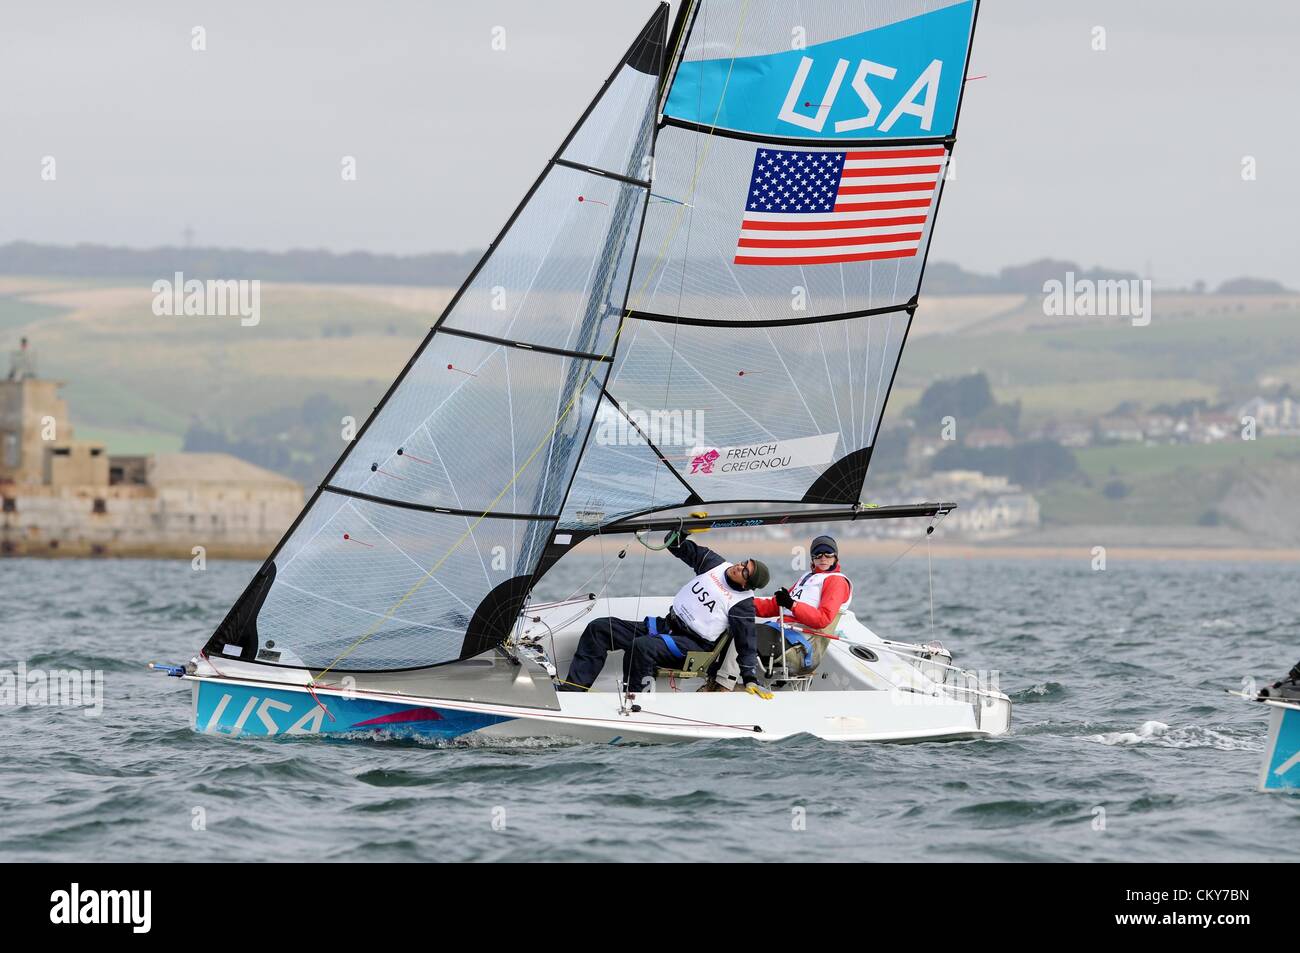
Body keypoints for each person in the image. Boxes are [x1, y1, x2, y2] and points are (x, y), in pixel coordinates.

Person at [560, 533, 773, 698]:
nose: (740, 566)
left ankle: (638, 702)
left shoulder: (742, 604)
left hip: (691, 647)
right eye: (745, 562)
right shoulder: (715, 563)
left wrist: (750, 678)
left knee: (642, 647)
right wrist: (683, 531)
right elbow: (675, 545)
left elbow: (747, 642)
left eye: (746, 571)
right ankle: (573, 692)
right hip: (666, 627)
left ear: (746, 584)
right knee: (600, 629)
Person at [704, 534, 851, 690]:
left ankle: (723, 687)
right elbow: (775, 606)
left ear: (836, 557)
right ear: (812, 558)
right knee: (734, 623)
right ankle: (713, 681)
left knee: (745, 630)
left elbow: (823, 619)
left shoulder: (837, 581)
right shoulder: (808, 577)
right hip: (782, 634)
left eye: (828, 554)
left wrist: (792, 604)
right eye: (818, 554)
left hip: (802, 648)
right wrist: (738, 603)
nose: (823, 558)